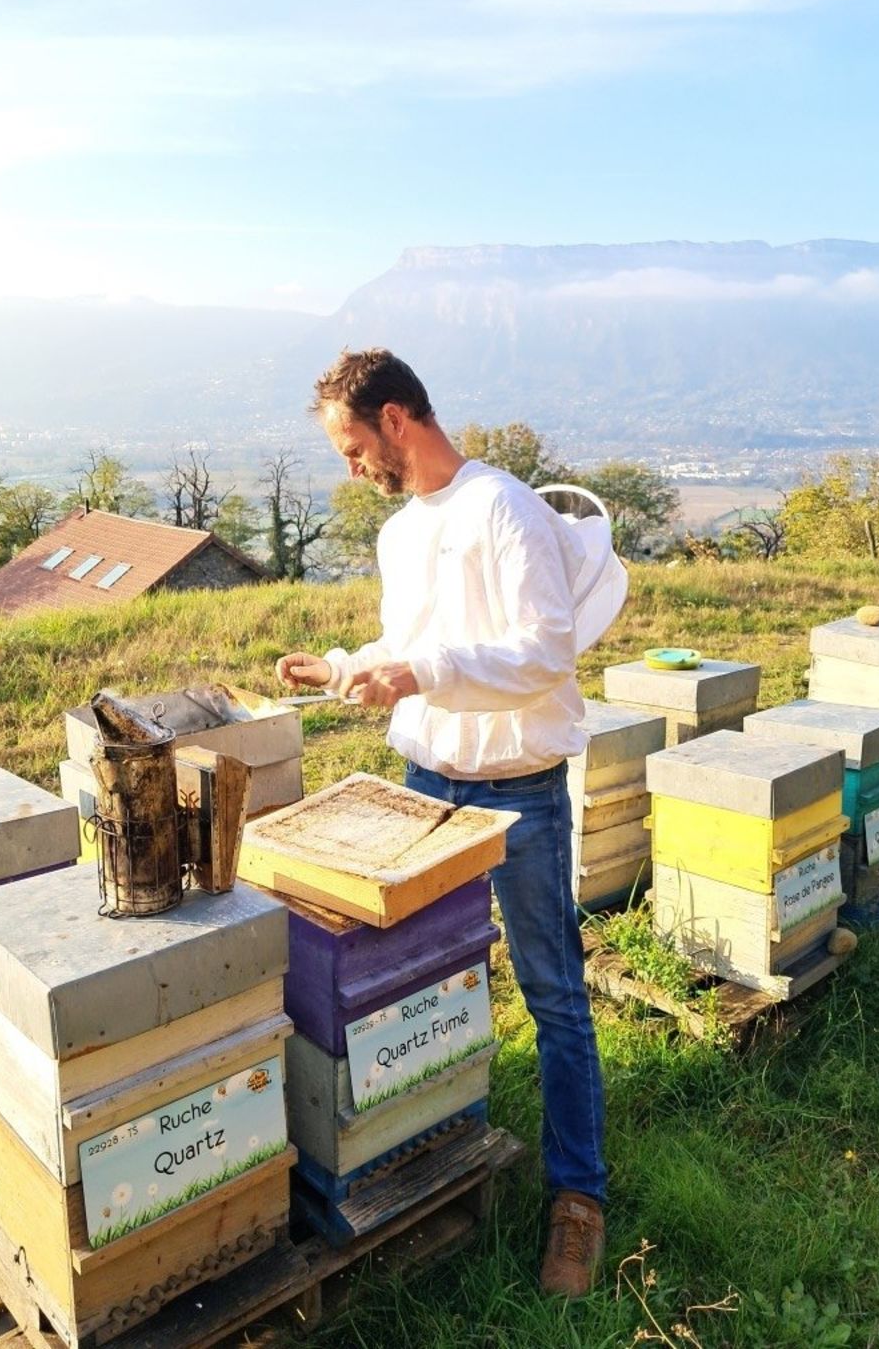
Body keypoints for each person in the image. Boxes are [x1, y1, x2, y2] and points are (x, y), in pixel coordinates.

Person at [275, 348, 608, 1297]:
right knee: (415, 988)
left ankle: (577, 1200)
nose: (353, 469)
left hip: (517, 787)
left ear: (394, 418)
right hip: (424, 780)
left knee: (554, 996)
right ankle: (422, 1159)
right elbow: (407, 648)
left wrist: (418, 673)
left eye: (351, 447)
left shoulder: (503, 505)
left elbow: (545, 650)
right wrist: (341, 667)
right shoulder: (401, 534)